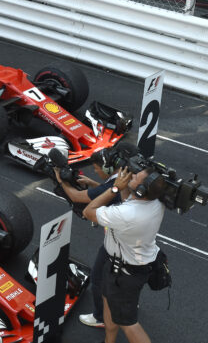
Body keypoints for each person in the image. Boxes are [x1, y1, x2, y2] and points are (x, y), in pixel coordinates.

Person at [55, 143, 138, 329]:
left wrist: (61, 181)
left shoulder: (115, 186)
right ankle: (128, 303)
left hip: (117, 243)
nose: (95, 171)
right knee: (125, 277)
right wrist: (93, 185)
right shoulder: (125, 179)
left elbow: (77, 197)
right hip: (134, 242)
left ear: (108, 167)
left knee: (98, 278)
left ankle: (101, 316)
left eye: (95, 169)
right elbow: (109, 189)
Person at [83, 166, 166, 343]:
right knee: (109, 305)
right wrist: (126, 186)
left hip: (125, 275)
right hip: (120, 267)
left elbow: (88, 212)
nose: (132, 175)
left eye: (136, 177)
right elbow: (128, 199)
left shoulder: (126, 214)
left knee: (128, 323)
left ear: (142, 189)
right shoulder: (155, 203)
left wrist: (115, 188)